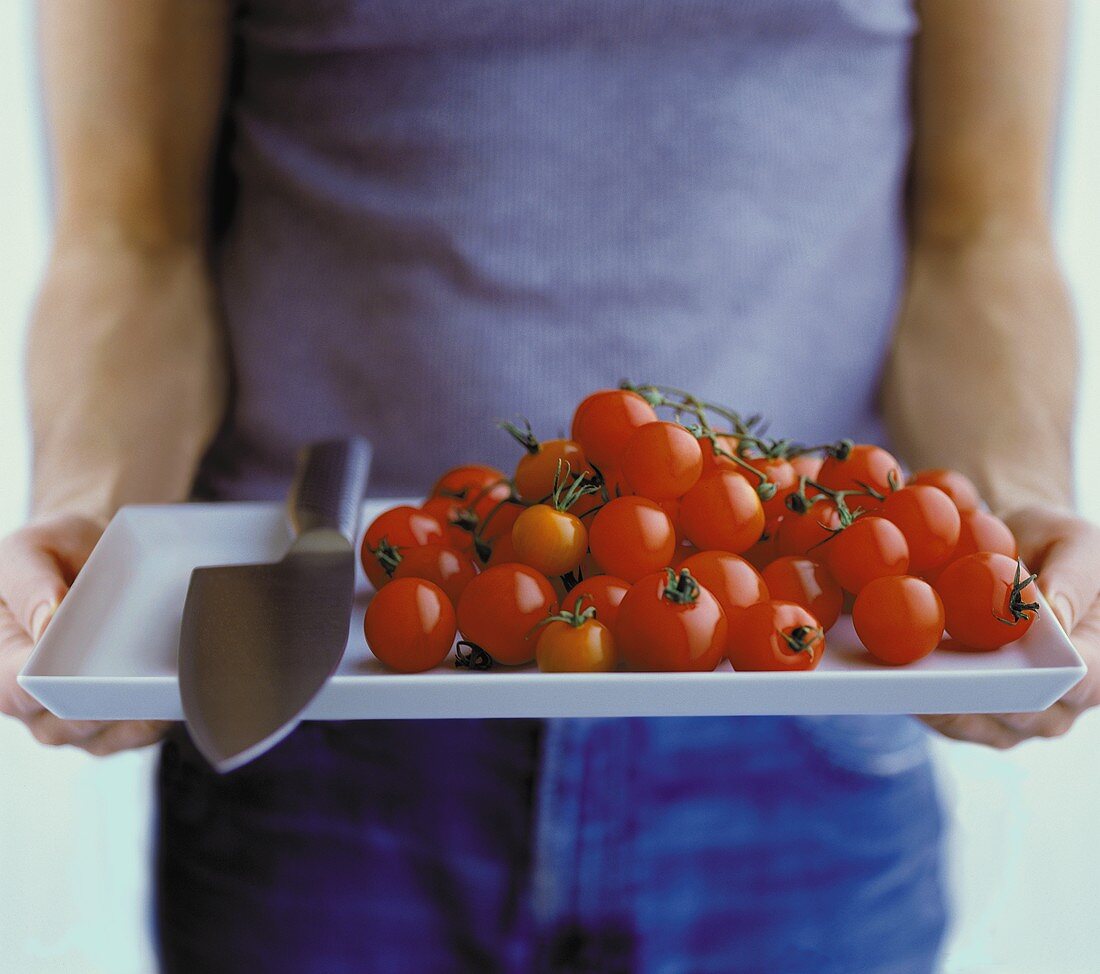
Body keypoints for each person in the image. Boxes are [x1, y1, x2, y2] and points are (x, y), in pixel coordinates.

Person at [2, 0, 1097, 971]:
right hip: (315, 686)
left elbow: (978, 233)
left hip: (797, 704)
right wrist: (87, 519)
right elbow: (134, 237)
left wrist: (1015, 524)